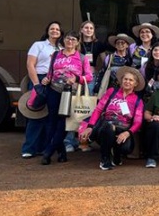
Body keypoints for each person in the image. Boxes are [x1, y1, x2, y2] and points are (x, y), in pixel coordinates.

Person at [40, 30, 92, 165]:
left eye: (74, 40)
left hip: (70, 93)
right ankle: (62, 153)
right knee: (52, 121)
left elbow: (89, 77)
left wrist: (76, 78)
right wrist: (47, 79)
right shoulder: (56, 54)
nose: (70, 42)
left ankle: (48, 151)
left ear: (77, 42)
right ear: (64, 40)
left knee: (63, 123)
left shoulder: (82, 58)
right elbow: (51, 72)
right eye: (68, 39)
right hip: (53, 90)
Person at [78, 67, 146, 171]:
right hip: (105, 126)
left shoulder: (138, 101)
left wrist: (127, 133)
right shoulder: (111, 92)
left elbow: (138, 122)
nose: (127, 82)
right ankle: (105, 159)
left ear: (135, 84)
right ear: (121, 80)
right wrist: (90, 126)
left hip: (123, 128)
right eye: (125, 79)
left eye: (131, 80)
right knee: (109, 128)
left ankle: (117, 154)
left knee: (126, 148)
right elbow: (98, 109)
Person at [21, 21, 62, 158]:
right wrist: (36, 84)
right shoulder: (38, 45)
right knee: (35, 114)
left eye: (57, 29)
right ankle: (29, 148)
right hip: (39, 79)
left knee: (50, 116)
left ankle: (44, 147)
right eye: (52, 28)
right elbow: (30, 65)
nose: (55, 31)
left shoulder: (61, 49)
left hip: (54, 82)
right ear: (47, 31)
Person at [64, 20, 106, 152]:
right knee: (73, 107)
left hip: (90, 78)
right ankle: (69, 141)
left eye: (91, 28)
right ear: (81, 30)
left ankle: (83, 141)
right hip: (75, 78)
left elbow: (105, 62)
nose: (88, 30)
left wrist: (97, 71)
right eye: (86, 28)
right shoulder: (76, 42)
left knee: (86, 108)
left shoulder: (98, 44)